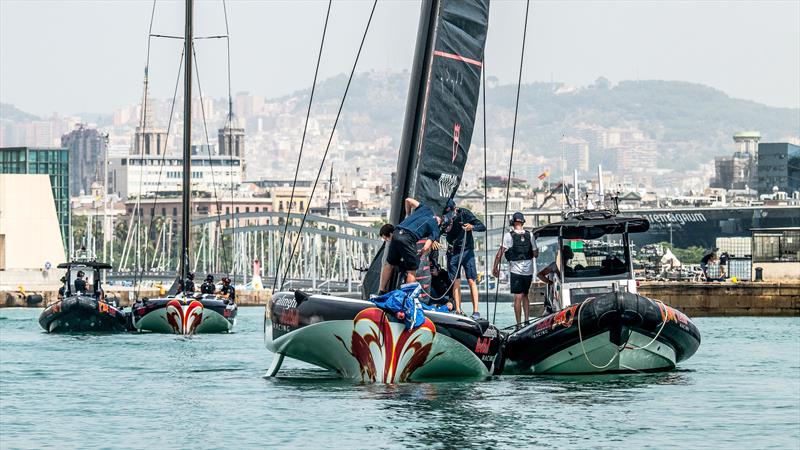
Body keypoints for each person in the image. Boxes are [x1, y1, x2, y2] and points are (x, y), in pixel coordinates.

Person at [379, 198, 442, 294]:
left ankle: (382, 290)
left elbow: (408, 200)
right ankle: (406, 296)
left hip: (396, 232)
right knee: (412, 270)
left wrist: (407, 214)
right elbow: (426, 247)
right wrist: (419, 255)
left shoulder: (426, 209)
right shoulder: (435, 228)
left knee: (389, 264)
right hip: (408, 239)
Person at [492, 212, 538, 328]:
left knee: (518, 296)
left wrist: (495, 267)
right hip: (528, 271)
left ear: (513, 222)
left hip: (515, 270)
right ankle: (527, 321)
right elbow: (536, 254)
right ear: (523, 222)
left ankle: (518, 324)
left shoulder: (509, 236)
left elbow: (499, 254)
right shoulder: (530, 235)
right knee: (525, 295)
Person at [442, 199, 486, 319]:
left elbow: (482, 227)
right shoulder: (444, 216)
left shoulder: (464, 213)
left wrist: (471, 227)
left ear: (455, 209)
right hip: (452, 252)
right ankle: (458, 310)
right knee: (455, 281)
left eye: (451, 213)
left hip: (467, 251)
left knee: (472, 280)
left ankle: (476, 311)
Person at [537, 245, 575, 314]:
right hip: (555, 294)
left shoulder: (569, 268)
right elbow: (539, 275)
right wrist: (550, 283)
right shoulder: (555, 265)